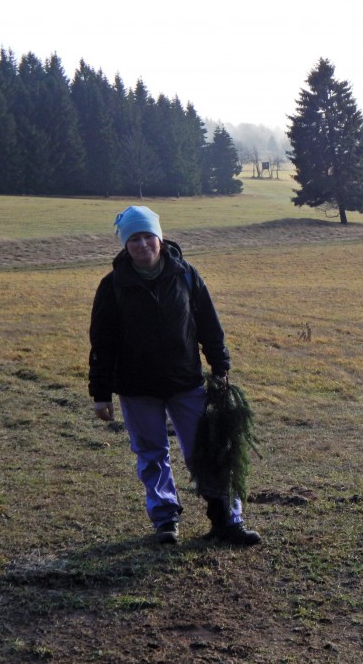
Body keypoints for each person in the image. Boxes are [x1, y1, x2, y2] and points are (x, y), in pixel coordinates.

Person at [88, 205, 261, 546]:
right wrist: (101, 393)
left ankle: (227, 519)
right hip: (137, 387)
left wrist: (221, 367)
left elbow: (209, 325)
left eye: (147, 236)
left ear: (160, 237)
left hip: (186, 382)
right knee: (151, 454)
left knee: (207, 450)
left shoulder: (185, 274)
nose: (142, 244)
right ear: (125, 244)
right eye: (134, 239)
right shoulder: (112, 285)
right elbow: (102, 343)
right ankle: (165, 521)